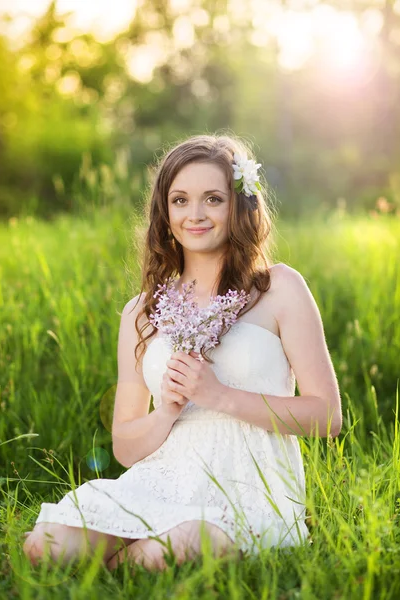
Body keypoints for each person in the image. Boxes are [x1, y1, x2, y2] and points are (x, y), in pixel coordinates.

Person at [23, 133, 342, 572]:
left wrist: (220, 396)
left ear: (239, 205)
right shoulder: (141, 312)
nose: (195, 215)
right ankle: (117, 556)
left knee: (176, 546)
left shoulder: (280, 288)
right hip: (164, 477)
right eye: (180, 200)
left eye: (213, 198)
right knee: (47, 545)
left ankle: (115, 562)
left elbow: (326, 416)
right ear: (164, 212)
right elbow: (125, 447)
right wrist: (167, 411)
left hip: (248, 482)